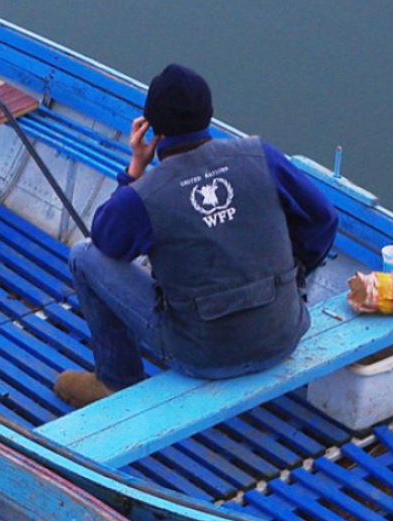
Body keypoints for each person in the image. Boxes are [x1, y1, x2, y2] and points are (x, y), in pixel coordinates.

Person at [54, 64, 337, 409]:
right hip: (285, 335)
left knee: (84, 256)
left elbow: (105, 240)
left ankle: (115, 380)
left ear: (151, 127)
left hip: (201, 357)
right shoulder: (261, 155)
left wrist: (134, 171)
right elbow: (323, 219)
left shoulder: (143, 194)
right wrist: (296, 276)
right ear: (210, 114)